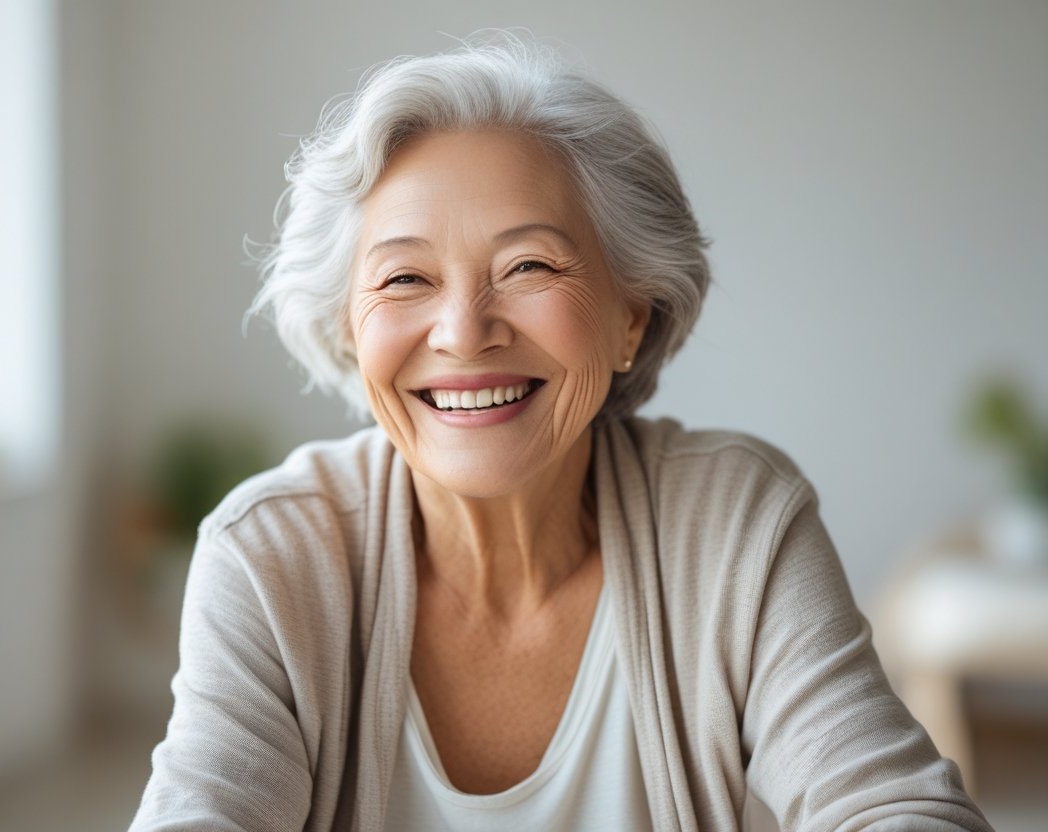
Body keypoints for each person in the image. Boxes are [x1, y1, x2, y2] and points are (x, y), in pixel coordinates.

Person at [129, 34, 991, 831]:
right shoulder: (271, 553)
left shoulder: (737, 525)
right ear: (350, 332)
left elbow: (893, 805)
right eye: (404, 277)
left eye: (529, 265)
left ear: (629, 318)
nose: (464, 333)